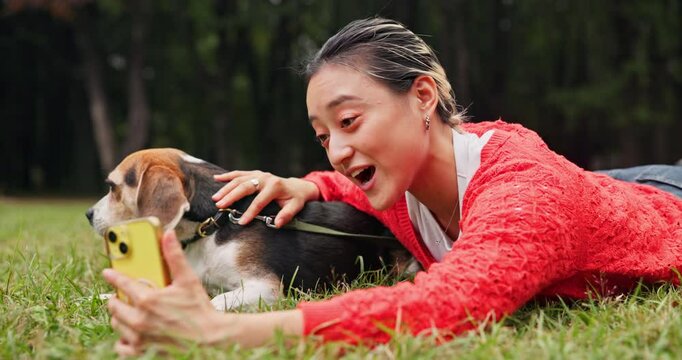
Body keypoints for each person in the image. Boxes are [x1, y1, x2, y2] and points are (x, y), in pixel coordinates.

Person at [102, 17, 682, 355]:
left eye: (349, 121)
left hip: (664, 201)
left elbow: (449, 303)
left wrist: (221, 328)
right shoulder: (403, 179)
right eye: (322, 134)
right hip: (600, 190)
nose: (337, 147)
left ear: (423, 97)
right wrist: (304, 186)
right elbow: (351, 185)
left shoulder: (527, 196)